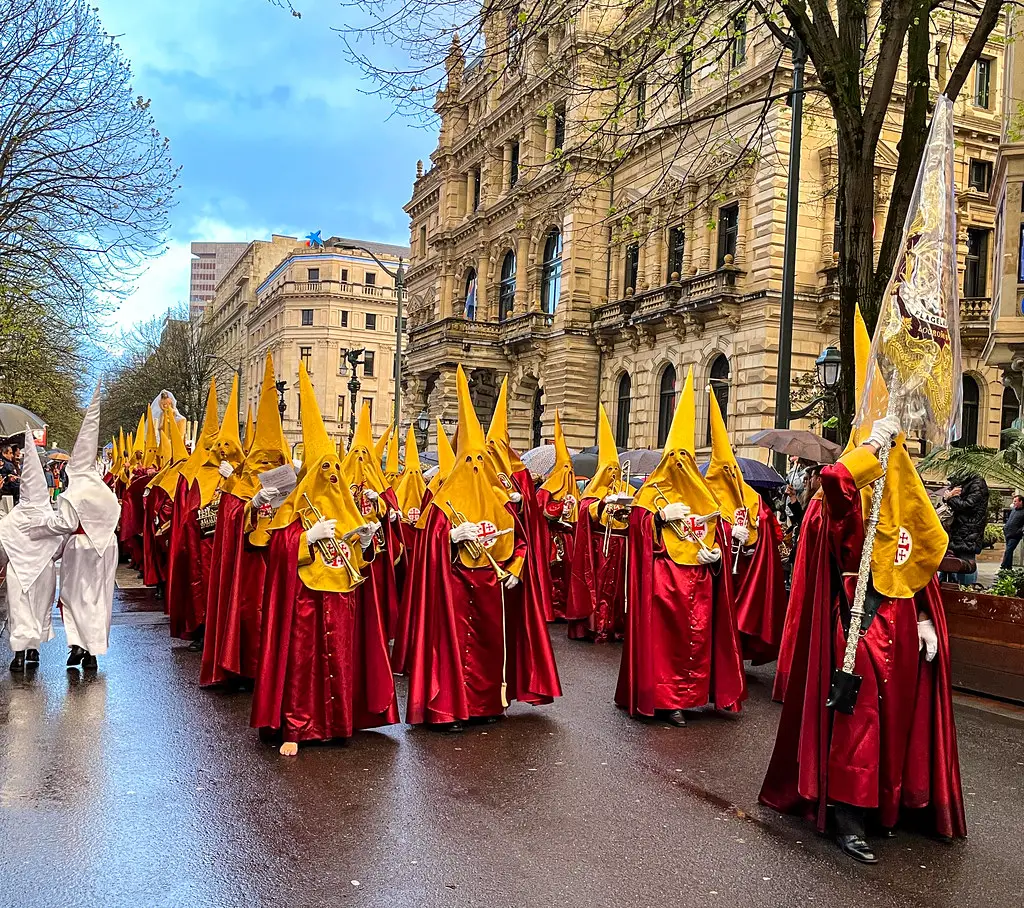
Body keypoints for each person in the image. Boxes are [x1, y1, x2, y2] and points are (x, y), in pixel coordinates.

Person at [759, 414, 965, 862]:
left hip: (904, 624)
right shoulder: (838, 504)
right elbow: (837, 480)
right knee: (860, 721)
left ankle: (884, 807)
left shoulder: (905, 502)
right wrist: (872, 445)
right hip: (858, 623)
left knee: (896, 719)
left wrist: (926, 617)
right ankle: (848, 817)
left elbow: (921, 561)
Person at [404, 365, 561, 730]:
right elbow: (428, 548)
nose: (476, 468)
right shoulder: (443, 506)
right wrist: (449, 539)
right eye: (469, 462)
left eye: (481, 462)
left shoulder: (502, 502)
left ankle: (489, 702)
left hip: (494, 588)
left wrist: (515, 571)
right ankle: (449, 709)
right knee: (455, 649)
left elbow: (520, 542)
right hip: (454, 589)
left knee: (492, 650)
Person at [251, 364, 396, 756]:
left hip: (341, 598)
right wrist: (305, 537)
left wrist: (366, 542)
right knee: (303, 664)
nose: (332, 475)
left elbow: (363, 561)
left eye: (336, 469)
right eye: (324, 470)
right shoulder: (292, 511)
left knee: (342, 661)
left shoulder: (348, 507)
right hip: (304, 601)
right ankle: (298, 726)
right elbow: (275, 546)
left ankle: (337, 723)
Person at [615, 367, 746, 727]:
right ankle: (667, 698)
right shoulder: (651, 493)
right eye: (677, 460)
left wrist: (718, 556)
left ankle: (692, 696)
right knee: (666, 645)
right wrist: (657, 519)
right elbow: (636, 526)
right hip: (664, 582)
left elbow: (717, 534)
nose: (681, 467)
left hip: (700, 583)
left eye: (687, 460)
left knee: (697, 642)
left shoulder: (705, 496)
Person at [202, 358, 291, 688]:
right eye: (261, 459)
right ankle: (240, 668)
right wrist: (248, 506)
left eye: (274, 460)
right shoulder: (238, 486)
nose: (267, 465)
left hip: (277, 566)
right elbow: (226, 520)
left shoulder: (291, 489)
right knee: (245, 612)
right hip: (248, 569)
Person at [35, 383, 121, 669]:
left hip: (81, 547)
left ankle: (78, 644)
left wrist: (44, 526)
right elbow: (115, 514)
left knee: (74, 597)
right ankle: (93, 648)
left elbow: (67, 523)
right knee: (99, 598)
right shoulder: (104, 490)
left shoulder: (74, 492)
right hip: (106, 547)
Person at [704, 385, 786, 664]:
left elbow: (768, 529)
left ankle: (735, 656)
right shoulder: (704, 496)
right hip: (715, 570)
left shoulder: (751, 498)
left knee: (739, 615)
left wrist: (752, 534)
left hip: (745, 572)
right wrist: (726, 533)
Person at [165, 380, 223, 648]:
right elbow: (186, 511)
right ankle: (200, 629)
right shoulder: (192, 476)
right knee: (199, 587)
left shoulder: (234, 476)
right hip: (199, 544)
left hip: (224, 546)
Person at [567, 405, 630, 643]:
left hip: (621, 546)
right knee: (601, 588)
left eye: (616, 470)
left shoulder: (627, 489)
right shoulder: (594, 491)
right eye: (609, 470)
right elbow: (586, 511)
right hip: (599, 547)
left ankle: (617, 625)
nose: (613, 474)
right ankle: (597, 625)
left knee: (618, 591)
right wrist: (604, 504)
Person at [1, 433, 62, 672]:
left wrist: (7, 561)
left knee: (19, 608)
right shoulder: (48, 516)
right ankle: (33, 648)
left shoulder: (14, 516)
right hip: (43, 568)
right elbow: (58, 546)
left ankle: (19, 653)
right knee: (39, 607)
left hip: (18, 569)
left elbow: (4, 543)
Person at [534, 412, 577, 622]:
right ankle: (550, 608)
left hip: (567, 538)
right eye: (565, 469)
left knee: (566, 575)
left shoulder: (573, 489)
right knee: (552, 575)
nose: (568, 473)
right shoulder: (546, 489)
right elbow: (541, 511)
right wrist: (559, 509)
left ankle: (564, 608)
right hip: (550, 539)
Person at [941, 472, 989, 584]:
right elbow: (948, 497)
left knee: (967, 565)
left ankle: (967, 593)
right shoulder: (963, 481)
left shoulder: (977, 483)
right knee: (951, 564)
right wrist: (948, 497)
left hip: (968, 533)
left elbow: (967, 505)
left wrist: (950, 498)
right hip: (958, 532)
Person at [1001, 494, 1024, 569]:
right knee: (1009, 552)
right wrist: (1005, 528)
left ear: (1021, 502)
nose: (1013, 503)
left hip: (1015, 536)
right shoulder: (1014, 509)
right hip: (1007, 533)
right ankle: (1008, 568)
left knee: (1008, 551)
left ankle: (1003, 567)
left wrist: (1019, 531)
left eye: (1015, 501)